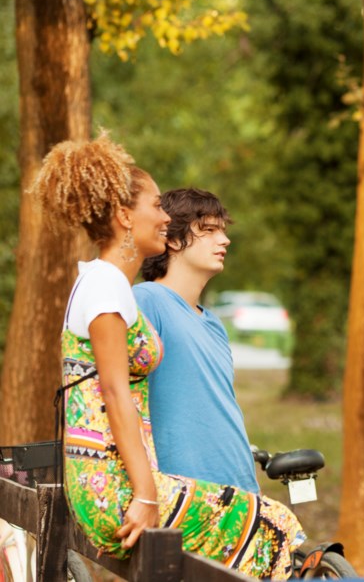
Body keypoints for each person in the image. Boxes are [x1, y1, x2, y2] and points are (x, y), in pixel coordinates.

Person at [34, 134, 305, 579]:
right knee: (276, 525)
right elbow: (116, 395)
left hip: (111, 479)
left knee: (270, 525)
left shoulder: (105, 284)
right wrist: (145, 494)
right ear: (124, 216)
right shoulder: (108, 286)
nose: (165, 218)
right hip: (113, 485)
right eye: (157, 206)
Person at [133, 188, 259, 493]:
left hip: (240, 490)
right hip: (184, 494)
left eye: (223, 231)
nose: (225, 240)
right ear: (174, 240)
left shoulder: (214, 324)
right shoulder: (146, 300)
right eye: (209, 230)